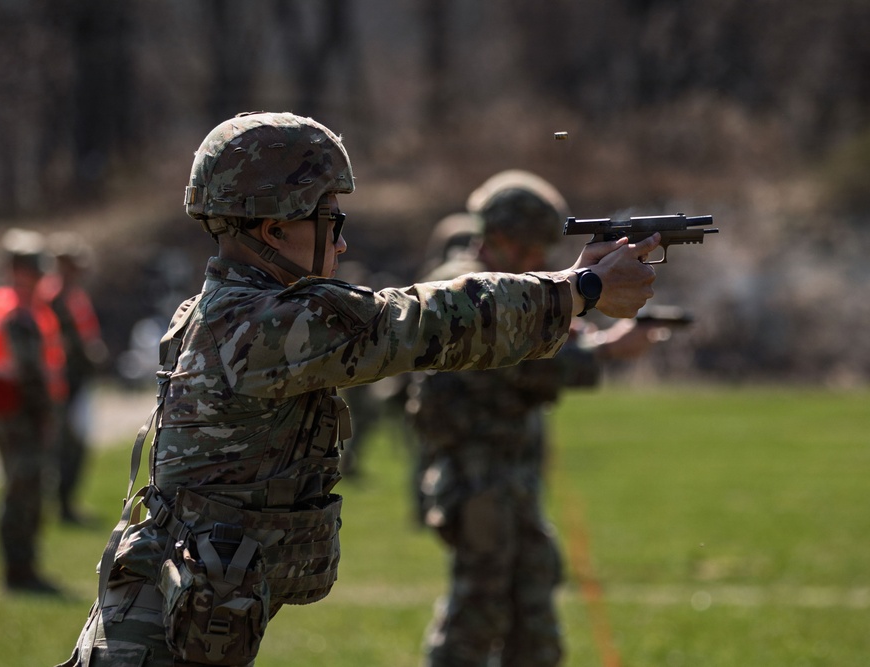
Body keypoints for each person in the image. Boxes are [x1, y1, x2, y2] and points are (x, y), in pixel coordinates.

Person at [57, 111, 659, 667]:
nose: (342, 242)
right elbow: (418, 323)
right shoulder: (264, 327)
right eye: (331, 221)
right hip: (162, 636)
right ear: (274, 227)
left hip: (179, 615)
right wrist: (579, 290)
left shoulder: (222, 311)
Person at [409, 170, 663, 667]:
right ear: (504, 240)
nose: (540, 263)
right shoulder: (460, 285)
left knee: (533, 617)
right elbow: (526, 364)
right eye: (532, 251)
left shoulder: (501, 286)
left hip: (508, 475)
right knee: (476, 617)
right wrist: (605, 351)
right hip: (477, 479)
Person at [0, 228, 67, 593]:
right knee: (24, 489)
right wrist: (46, 414)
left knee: (18, 486)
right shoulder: (19, 312)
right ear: (18, 270)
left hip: (0, 407)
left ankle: (20, 567)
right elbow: (30, 372)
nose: (40, 279)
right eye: (34, 271)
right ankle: (20, 570)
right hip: (21, 412)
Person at [38, 231, 108, 524]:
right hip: (64, 382)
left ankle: (65, 503)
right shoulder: (52, 296)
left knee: (75, 443)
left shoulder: (72, 294)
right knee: (66, 444)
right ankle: (62, 506)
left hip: (78, 379)